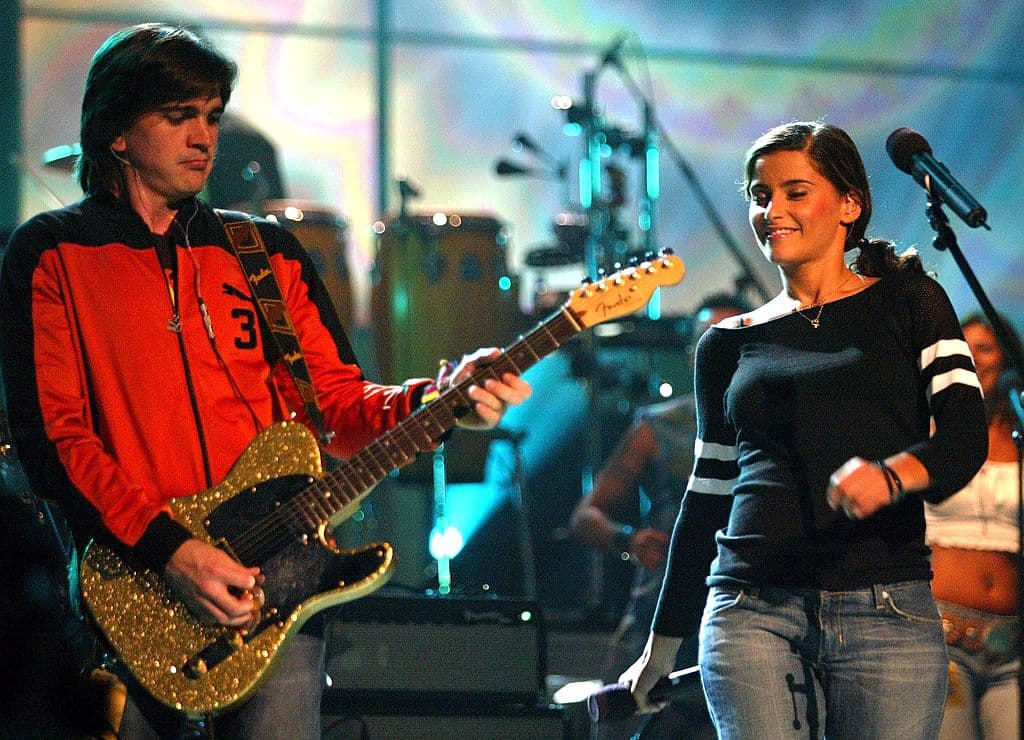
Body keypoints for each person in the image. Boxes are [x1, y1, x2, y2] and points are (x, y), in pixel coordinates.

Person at [0, 23, 530, 739]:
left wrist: (438, 401)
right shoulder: (51, 252)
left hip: (280, 583)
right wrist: (172, 551)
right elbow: (55, 438)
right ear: (117, 132)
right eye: (179, 116)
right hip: (134, 588)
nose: (203, 137)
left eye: (211, 116)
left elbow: (337, 406)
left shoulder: (265, 252)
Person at [619, 121, 988, 739]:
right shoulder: (726, 344)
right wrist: (661, 647)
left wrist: (891, 477)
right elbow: (706, 498)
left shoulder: (910, 301)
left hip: (885, 608)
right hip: (751, 609)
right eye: (760, 196)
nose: (772, 211)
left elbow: (964, 439)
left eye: (795, 192)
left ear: (850, 205)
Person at [569, 292, 750, 738]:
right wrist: (628, 540)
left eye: (732, 341)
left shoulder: (776, 426)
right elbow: (586, 516)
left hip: (746, 613)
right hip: (661, 604)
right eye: (708, 341)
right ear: (692, 353)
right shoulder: (658, 426)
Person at [926, 312, 1024, 739]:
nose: (973, 359)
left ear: (1008, 358)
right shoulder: (928, 426)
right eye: (964, 349)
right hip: (943, 641)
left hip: (1012, 645)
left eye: (984, 348)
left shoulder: (1018, 433)